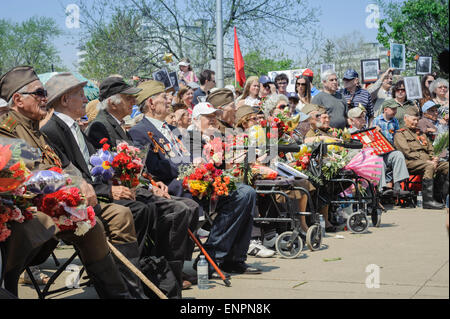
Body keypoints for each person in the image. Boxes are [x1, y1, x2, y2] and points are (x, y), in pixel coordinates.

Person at [0, 66, 134, 298]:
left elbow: (63, 165)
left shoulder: (37, 130)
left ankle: (119, 294)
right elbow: (27, 169)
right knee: (35, 225)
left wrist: (78, 182)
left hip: (58, 205)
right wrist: (71, 182)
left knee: (93, 226)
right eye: (39, 93)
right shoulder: (7, 129)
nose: (45, 98)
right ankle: (8, 288)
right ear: (18, 100)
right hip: (25, 209)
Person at [41, 73, 156, 298]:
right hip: (77, 204)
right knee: (128, 212)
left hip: (96, 196)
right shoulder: (52, 131)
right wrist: (109, 190)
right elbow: (71, 176)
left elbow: (97, 166)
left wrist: (129, 182)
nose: (87, 100)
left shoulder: (75, 128)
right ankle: (125, 290)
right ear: (65, 100)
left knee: (141, 207)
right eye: (81, 95)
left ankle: (137, 286)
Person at [86, 77, 200, 293]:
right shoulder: (102, 126)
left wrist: (151, 183)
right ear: (112, 102)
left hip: (146, 185)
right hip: (124, 191)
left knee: (185, 207)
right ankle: (158, 271)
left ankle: (166, 272)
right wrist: (149, 185)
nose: (133, 102)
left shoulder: (121, 125)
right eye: (128, 98)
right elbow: (106, 169)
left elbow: (140, 166)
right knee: (177, 209)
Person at [394, 107, 448, 209]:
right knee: (429, 166)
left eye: (417, 120)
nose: (416, 122)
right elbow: (407, 152)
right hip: (410, 162)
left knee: (447, 166)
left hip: (428, 161)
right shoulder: (400, 134)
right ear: (406, 119)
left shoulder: (420, 133)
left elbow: (431, 148)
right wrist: (427, 161)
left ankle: (440, 198)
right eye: (413, 119)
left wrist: (435, 158)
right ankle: (428, 201)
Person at [353, 105, 410, 197]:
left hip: (384, 152)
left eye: (363, 117)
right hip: (369, 158)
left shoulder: (368, 129)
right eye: (359, 117)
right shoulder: (351, 132)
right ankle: (382, 189)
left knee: (398, 154)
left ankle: (397, 186)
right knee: (378, 160)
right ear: (351, 120)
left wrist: (377, 134)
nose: (363, 119)